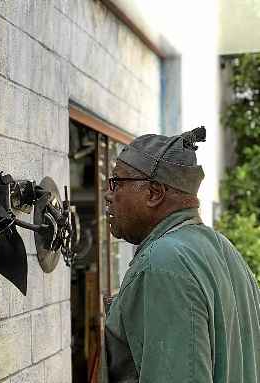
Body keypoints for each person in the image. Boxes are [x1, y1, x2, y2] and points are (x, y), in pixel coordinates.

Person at [104, 127, 260, 383]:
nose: (109, 195)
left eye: (117, 183)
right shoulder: (225, 250)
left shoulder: (163, 263)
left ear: (154, 193)